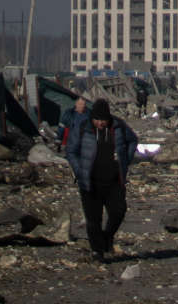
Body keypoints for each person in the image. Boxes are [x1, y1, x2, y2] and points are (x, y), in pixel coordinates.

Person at [65, 99, 139, 262]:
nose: (100, 123)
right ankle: (97, 252)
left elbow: (133, 140)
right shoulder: (83, 127)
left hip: (114, 180)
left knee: (118, 211)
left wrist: (125, 160)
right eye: (97, 119)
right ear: (92, 118)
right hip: (89, 181)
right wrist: (79, 170)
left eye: (103, 120)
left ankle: (107, 238)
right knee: (93, 219)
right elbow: (70, 151)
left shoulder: (118, 126)